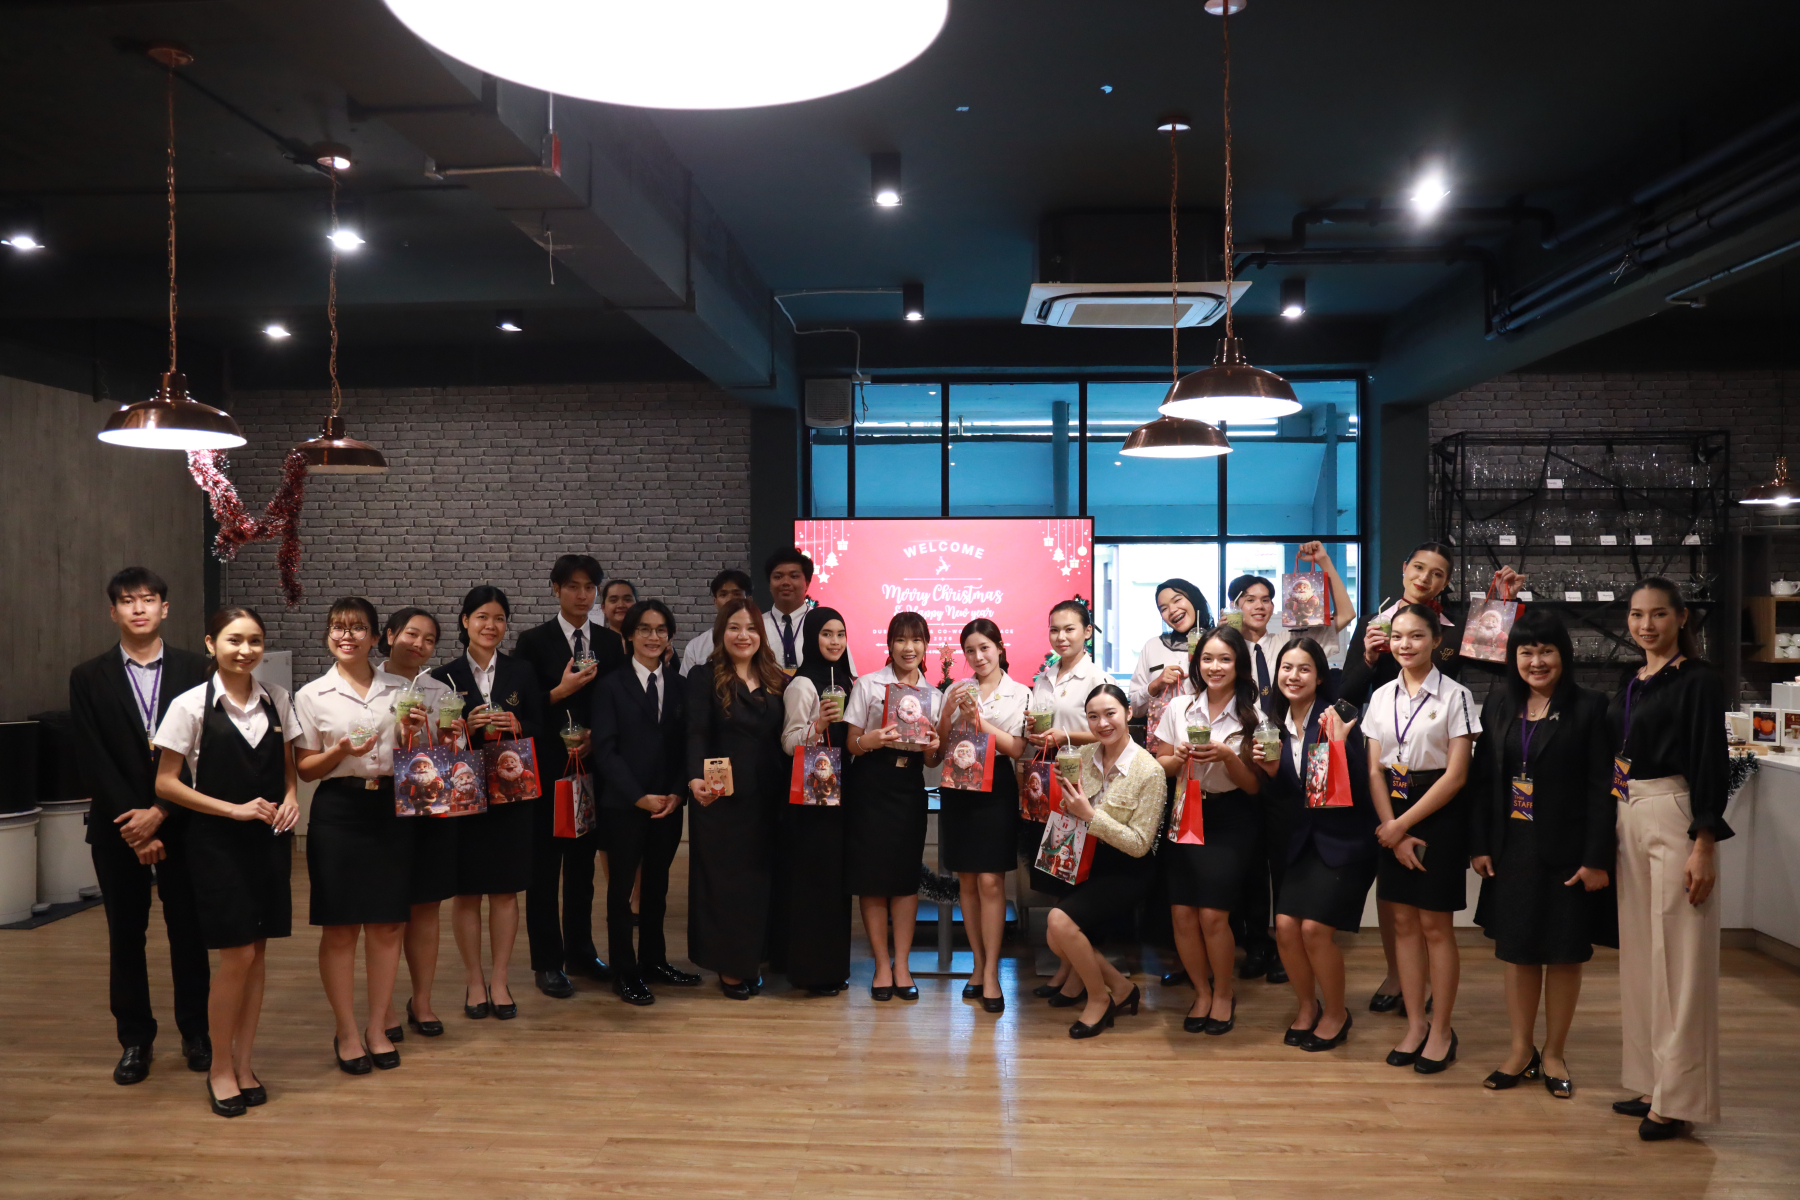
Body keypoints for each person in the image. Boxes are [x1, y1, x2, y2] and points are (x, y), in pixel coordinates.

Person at [1338, 541, 1518, 1013]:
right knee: (1394, 891)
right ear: (1404, 568)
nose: (1426, 578)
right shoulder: (1376, 622)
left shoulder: (1451, 627)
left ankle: (1429, 988)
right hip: (1385, 763)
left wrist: (1501, 607)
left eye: (1437, 574)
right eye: (1419, 568)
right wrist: (1370, 657)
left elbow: (1492, 659)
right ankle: (1398, 974)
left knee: (1433, 912)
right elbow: (1347, 693)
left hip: (1434, 762)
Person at [152, 607, 299, 1116]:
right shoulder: (189, 705)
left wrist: (292, 797)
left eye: (255, 640)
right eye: (234, 640)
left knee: (257, 954)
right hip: (216, 844)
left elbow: (287, 771)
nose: (246, 650)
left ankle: (245, 1062)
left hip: (270, 841)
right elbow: (165, 783)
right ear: (211, 644)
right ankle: (219, 1068)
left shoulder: (278, 699)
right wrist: (232, 809)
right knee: (236, 955)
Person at [69, 567, 214, 1085]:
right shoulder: (88, 676)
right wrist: (137, 824)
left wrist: (161, 812)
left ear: (164, 609)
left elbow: (204, 751)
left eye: (148, 599)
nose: (138, 609)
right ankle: (135, 1040)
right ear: (113, 612)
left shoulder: (198, 669)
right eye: (127, 601)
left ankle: (197, 1032)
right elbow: (93, 756)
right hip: (119, 827)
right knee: (125, 935)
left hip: (183, 822)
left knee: (189, 933)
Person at [1469, 608, 1616, 1098]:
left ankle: (1553, 1052)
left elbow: (1603, 788)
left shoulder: (1590, 707)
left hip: (1569, 852)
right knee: (1518, 953)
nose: (1536, 661)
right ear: (1513, 657)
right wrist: (1480, 844)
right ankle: (1520, 1049)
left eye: (1546, 651)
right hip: (1512, 846)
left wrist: (1596, 858)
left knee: (1564, 954)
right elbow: (1483, 781)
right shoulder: (1498, 704)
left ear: (1563, 655)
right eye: (1526, 651)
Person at [1606, 578, 1731, 1140]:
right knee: (1641, 956)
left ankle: (1679, 1098)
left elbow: (1710, 758)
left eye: (1659, 614)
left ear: (1682, 618)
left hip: (1675, 810)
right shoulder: (1632, 681)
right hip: (1628, 810)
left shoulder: (1697, 680)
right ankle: (1651, 1079)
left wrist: (1704, 842)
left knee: (1681, 960)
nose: (1646, 625)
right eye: (1637, 615)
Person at [295, 597, 425, 1076]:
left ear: (375, 637)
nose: (345, 636)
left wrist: (412, 733)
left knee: (388, 924)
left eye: (356, 628)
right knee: (341, 926)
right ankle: (347, 1030)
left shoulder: (400, 688)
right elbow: (306, 769)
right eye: (337, 627)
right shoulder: (312, 694)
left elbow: (414, 755)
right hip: (339, 811)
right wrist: (340, 751)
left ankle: (377, 1026)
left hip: (391, 807)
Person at [1361, 603, 1481, 1075]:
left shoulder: (1456, 696)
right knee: (1402, 923)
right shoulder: (1380, 697)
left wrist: (1400, 826)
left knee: (1435, 926)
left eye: (1415, 636)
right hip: (1392, 808)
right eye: (1397, 637)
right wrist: (1392, 828)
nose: (1405, 644)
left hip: (1438, 813)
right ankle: (1415, 1025)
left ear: (1435, 641)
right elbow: (1374, 769)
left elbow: (1456, 776)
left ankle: (1442, 1030)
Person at [1252, 638, 1376, 1053]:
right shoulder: (1272, 724)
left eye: (1304, 669)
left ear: (1320, 676)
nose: (1293, 676)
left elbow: (1359, 786)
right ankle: (1307, 1007)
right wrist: (1271, 772)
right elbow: (1289, 796)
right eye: (1286, 668)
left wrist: (1339, 745)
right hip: (1300, 843)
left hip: (1344, 840)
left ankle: (1337, 1013)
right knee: (1285, 927)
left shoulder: (1337, 715)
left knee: (1315, 930)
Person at [431, 586, 547, 1022]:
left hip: (511, 795)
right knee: (466, 892)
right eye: (481, 617)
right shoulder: (443, 677)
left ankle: (499, 980)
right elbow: (433, 741)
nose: (490, 626)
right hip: (463, 795)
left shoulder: (522, 671)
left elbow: (541, 726)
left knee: (504, 890)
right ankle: (474, 980)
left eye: (498, 618)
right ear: (465, 621)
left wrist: (518, 723)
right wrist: (464, 727)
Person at [514, 554, 623, 999]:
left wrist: (598, 737)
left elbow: (618, 701)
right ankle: (547, 961)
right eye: (573, 586)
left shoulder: (610, 643)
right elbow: (521, 708)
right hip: (546, 769)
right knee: (543, 869)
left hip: (592, 768)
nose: (582, 595)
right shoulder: (532, 641)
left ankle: (580, 952)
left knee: (582, 868)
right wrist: (560, 692)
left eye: (589, 587)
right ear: (555, 589)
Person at [1153, 625, 1265, 1036]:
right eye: (1207, 659)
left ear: (1239, 666)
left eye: (1225, 659)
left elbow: (1253, 786)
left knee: (1215, 915)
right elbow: (1160, 764)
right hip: (1185, 809)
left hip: (1230, 817)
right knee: (1182, 914)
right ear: (1196, 663)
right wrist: (1178, 757)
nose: (1215, 667)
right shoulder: (1179, 708)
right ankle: (1201, 991)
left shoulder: (1254, 716)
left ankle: (1223, 992)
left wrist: (1227, 757)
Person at [591, 599, 699, 1005]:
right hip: (624, 805)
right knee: (621, 891)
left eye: (661, 630)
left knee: (657, 887)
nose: (653, 637)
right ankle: (625, 970)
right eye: (645, 629)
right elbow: (605, 750)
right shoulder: (609, 685)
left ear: (670, 636)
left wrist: (676, 792)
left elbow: (686, 746)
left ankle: (654, 961)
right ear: (629, 635)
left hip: (667, 804)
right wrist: (638, 796)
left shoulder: (680, 685)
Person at [1048, 683, 1165, 1039]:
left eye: (1110, 714)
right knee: (1056, 936)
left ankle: (1099, 998)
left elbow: (1140, 844)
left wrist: (1089, 814)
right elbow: (1068, 807)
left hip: (1128, 869)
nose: (1102, 723)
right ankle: (1122, 986)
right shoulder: (1082, 756)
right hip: (1085, 860)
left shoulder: (1149, 770)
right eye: (1093, 716)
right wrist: (1063, 792)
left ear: (1128, 713)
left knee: (1059, 922)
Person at [685, 597, 789, 998]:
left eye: (750, 628)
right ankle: (729, 966)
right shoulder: (704, 676)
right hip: (721, 797)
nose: (743, 635)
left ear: (760, 635)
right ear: (721, 633)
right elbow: (695, 731)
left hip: (769, 796)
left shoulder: (775, 677)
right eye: (734, 628)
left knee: (760, 882)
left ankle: (751, 959)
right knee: (724, 883)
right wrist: (694, 777)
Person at [844, 611, 944, 1002]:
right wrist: (871, 740)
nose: (909, 647)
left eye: (916, 640)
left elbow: (932, 761)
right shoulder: (868, 685)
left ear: (926, 645)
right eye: (901, 639)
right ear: (889, 644)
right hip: (870, 783)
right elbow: (852, 744)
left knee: (905, 877)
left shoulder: (933, 696)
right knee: (872, 878)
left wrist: (934, 748)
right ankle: (881, 965)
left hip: (909, 786)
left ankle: (902, 964)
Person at [936, 618, 1031, 1013]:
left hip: (996, 789)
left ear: (1000, 647)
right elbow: (938, 746)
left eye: (985, 648)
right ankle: (977, 965)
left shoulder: (1020, 692)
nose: (978, 657)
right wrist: (949, 712)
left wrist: (979, 721)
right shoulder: (956, 690)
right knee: (967, 882)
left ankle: (992, 970)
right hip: (958, 788)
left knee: (991, 882)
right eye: (970, 651)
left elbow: (1016, 748)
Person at [374, 607, 457, 1040]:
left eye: (428, 639)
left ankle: (421, 1000)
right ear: (390, 635)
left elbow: (451, 752)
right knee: (387, 909)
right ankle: (384, 1005)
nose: (419, 644)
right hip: (381, 805)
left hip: (429, 806)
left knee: (426, 905)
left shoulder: (440, 690)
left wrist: (450, 738)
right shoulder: (369, 686)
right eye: (411, 634)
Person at [1027, 600, 1109, 1004]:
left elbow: (1110, 732)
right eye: (1054, 630)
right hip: (1048, 785)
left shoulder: (1095, 677)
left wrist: (1065, 736)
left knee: (1078, 878)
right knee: (1058, 874)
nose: (1061, 637)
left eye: (1069, 629)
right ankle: (1066, 967)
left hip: (1081, 787)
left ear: (1087, 632)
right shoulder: (1045, 676)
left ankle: (1078, 978)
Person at [778, 606, 858, 996]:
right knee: (813, 883)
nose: (834, 641)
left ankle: (834, 968)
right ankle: (810, 972)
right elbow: (788, 742)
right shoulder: (803, 684)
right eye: (826, 634)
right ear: (811, 637)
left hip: (842, 795)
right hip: (812, 799)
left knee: (836, 884)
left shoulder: (848, 680)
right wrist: (820, 724)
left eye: (840, 634)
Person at [1126, 578, 1212, 722]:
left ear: (1194, 599)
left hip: (1208, 732)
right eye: (1164, 609)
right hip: (1163, 734)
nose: (1172, 610)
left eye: (1177, 600)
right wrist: (1155, 685)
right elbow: (1134, 709)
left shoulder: (1218, 643)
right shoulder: (1153, 646)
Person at [763, 547, 856, 673]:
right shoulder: (756, 625)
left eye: (794, 576)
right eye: (778, 577)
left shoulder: (825, 623)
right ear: (769, 584)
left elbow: (846, 674)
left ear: (807, 583)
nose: (785, 582)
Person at [682, 568, 751, 675]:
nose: (729, 600)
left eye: (736, 594)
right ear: (715, 601)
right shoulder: (696, 646)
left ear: (749, 600)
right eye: (723, 595)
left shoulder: (758, 638)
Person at [600, 578, 637, 658]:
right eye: (613, 600)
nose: (621, 605)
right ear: (603, 607)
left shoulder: (647, 640)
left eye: (627, 600)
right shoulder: (596, 641)